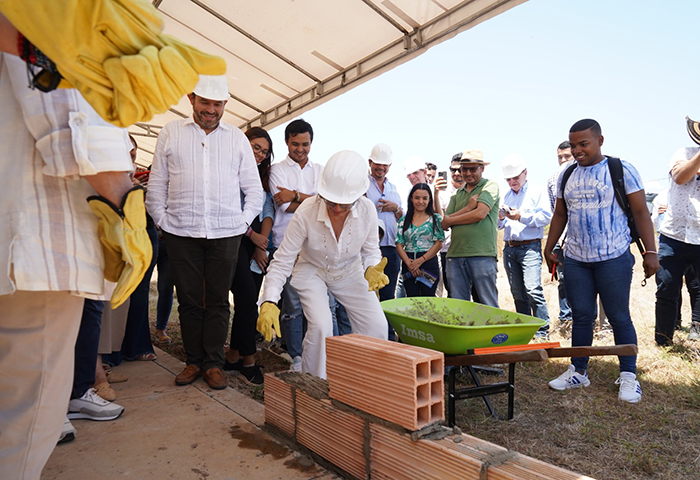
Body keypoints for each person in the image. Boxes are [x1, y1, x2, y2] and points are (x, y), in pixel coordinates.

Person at [0, 52, 148, 479]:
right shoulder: (54, 16)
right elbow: (70, 108)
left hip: (18, 238)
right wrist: (122, 197)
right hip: (35, 245)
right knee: (23, 426)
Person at [146, 74, 263, 390]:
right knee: (188, 300)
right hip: (181, 231)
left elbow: (254, 190)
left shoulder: (237, 138)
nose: (211, 109)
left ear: (225, 104)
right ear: (192, 99)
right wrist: (163, 220)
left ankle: (213, 364)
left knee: (218, 301)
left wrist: (241, 222)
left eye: (217, 104)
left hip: (226, 232)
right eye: (205, 102)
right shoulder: (171, 132)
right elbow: (156, 184)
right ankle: (193, 361)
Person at [544, 119, 659, 403]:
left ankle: (629, 375)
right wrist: (550, 247)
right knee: (582, 315)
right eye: (573, 145)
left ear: (600, 140)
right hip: (576, 258)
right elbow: (560, 214)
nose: (577, 150)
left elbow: (641, 213)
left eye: (584, 143)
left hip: (613, 256)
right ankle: (578, 371)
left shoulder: (621, 169)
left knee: (619, 316)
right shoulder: (566, 174)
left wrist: (651, 252)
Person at [257, 150, 390, 379]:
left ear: (358, 196)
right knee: (320, 328)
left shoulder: (367, 209)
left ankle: (366, 382)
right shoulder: (306, 212)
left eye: (345, 204)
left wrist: (372, 268)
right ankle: (315, 384)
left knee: (377, 325)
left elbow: (370, 251)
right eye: (331, 201)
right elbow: (283, 261)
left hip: (350, 271)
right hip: (312, 271)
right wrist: (269, 300)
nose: (337, 209)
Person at [268, 119, 341, 370]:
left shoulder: (321, 170)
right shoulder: (276, 170)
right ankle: (296, 357)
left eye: (305, 144)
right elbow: (284, 206)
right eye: (296, 144)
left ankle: (327, 355)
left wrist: (295, 195)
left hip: (319, 246)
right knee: (293, 304)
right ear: (287, 141)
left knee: (325, 305)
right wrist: (313, 200)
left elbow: (330, 203)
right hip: (286, 244)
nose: (301, 149)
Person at [225, 127, 276, 385]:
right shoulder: (228, 169)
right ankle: (248, 361)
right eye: (256, 147)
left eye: (265, 151)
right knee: (245, 299)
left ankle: (233, 356)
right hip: (232, 240)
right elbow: (228, 207)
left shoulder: (263, 175)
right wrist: (251, 236)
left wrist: (260, 245)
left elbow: (268, 210)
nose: (260, 154)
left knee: (248, 301)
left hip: (255, 244)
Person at [498, 154, 552, 339]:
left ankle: (542, 331)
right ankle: (524, 331)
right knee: (517, 292)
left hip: (530, 247)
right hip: (510, 248)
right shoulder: (505, 195)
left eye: (515, 177)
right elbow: (500, 225)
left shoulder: (537, 192)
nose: (512, 182)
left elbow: (546, 217)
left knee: (532, 289)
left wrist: (521, 217)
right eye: (508, 179)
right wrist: (500, 218)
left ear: (525, 173)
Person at [441, 150, 500, 307]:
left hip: (482, 254)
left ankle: (492, 333)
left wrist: (453, 218)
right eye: (464, 169)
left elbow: (480, 214)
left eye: (473, 169)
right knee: (459, 307)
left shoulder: (490, 186)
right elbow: (445, 223)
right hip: (455, 255)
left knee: (487, 305)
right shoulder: (456, 194)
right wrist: (468, 208)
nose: (467, 173)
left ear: (482, 168)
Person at [654, 142, 700, 345]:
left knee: (697, 288)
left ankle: (697, 329)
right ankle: (663, 339)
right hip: (674, 235)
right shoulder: (683, 153)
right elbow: (680, 177)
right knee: (666, 287)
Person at [365, 143, 403, 337]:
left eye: (385, 165)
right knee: (369, 295)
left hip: (391, 248)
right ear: (370, 162)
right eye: (377, 164)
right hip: (370, 249)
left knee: (388, 295)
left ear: (390, 166)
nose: (381, 168)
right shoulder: (362, 184)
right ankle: (372, 336)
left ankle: (388, 336)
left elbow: (402, 216)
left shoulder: (393, 188)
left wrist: (395, 208)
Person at [397, 184, 445, 297]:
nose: (420, 201)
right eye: (417, 197)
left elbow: (438, 244)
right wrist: (410, 264)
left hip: (428, 264)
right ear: (411, 199)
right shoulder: (404, 220)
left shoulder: (435, 219)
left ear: (429, 200)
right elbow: (399, 244)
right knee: (411, 299)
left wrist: (420, 261)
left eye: (424, 198)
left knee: (428, 300)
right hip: (408, 264)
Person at [546, 141, 575, 329]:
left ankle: (587, 320)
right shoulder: (553, 179)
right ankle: (566, 319)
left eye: (567, 156)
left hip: (579, 240)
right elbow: (556, 212)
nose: (563, 160)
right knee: (563, 280)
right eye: (560, 157)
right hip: (561, 239)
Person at [435, 153, 465, 297]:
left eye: (460, 169)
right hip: (447, 249)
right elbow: (441, 221)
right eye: (453, 170)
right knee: (453, 293)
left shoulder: (475, 191)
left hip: (468, 249)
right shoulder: (442, 193)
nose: (457, 173)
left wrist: (450, 218)